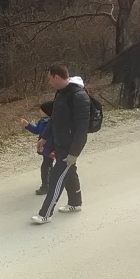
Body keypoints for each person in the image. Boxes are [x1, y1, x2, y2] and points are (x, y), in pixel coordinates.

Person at [32, 64, 90, 224]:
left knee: (56, 178)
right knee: (69, 172)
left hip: (69, 146)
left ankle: (45, 214)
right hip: (59, 141)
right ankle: (75, 203)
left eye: (49, 79)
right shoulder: (61, 93)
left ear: (56, 77)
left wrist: (74, 153)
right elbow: (54, 118)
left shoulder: (79, 96)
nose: (49, 82)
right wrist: (44, 137)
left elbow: (82, 129)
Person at [20, 101, 54, 195]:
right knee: (48, 165)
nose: (40, 111)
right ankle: (51, 182)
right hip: (44, 148)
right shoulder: (41, 121)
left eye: (42, 110)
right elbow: (37, 130)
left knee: (46, 167)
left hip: (51, 148)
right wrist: (28, 125)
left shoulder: (53, 123)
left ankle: (46, 186)